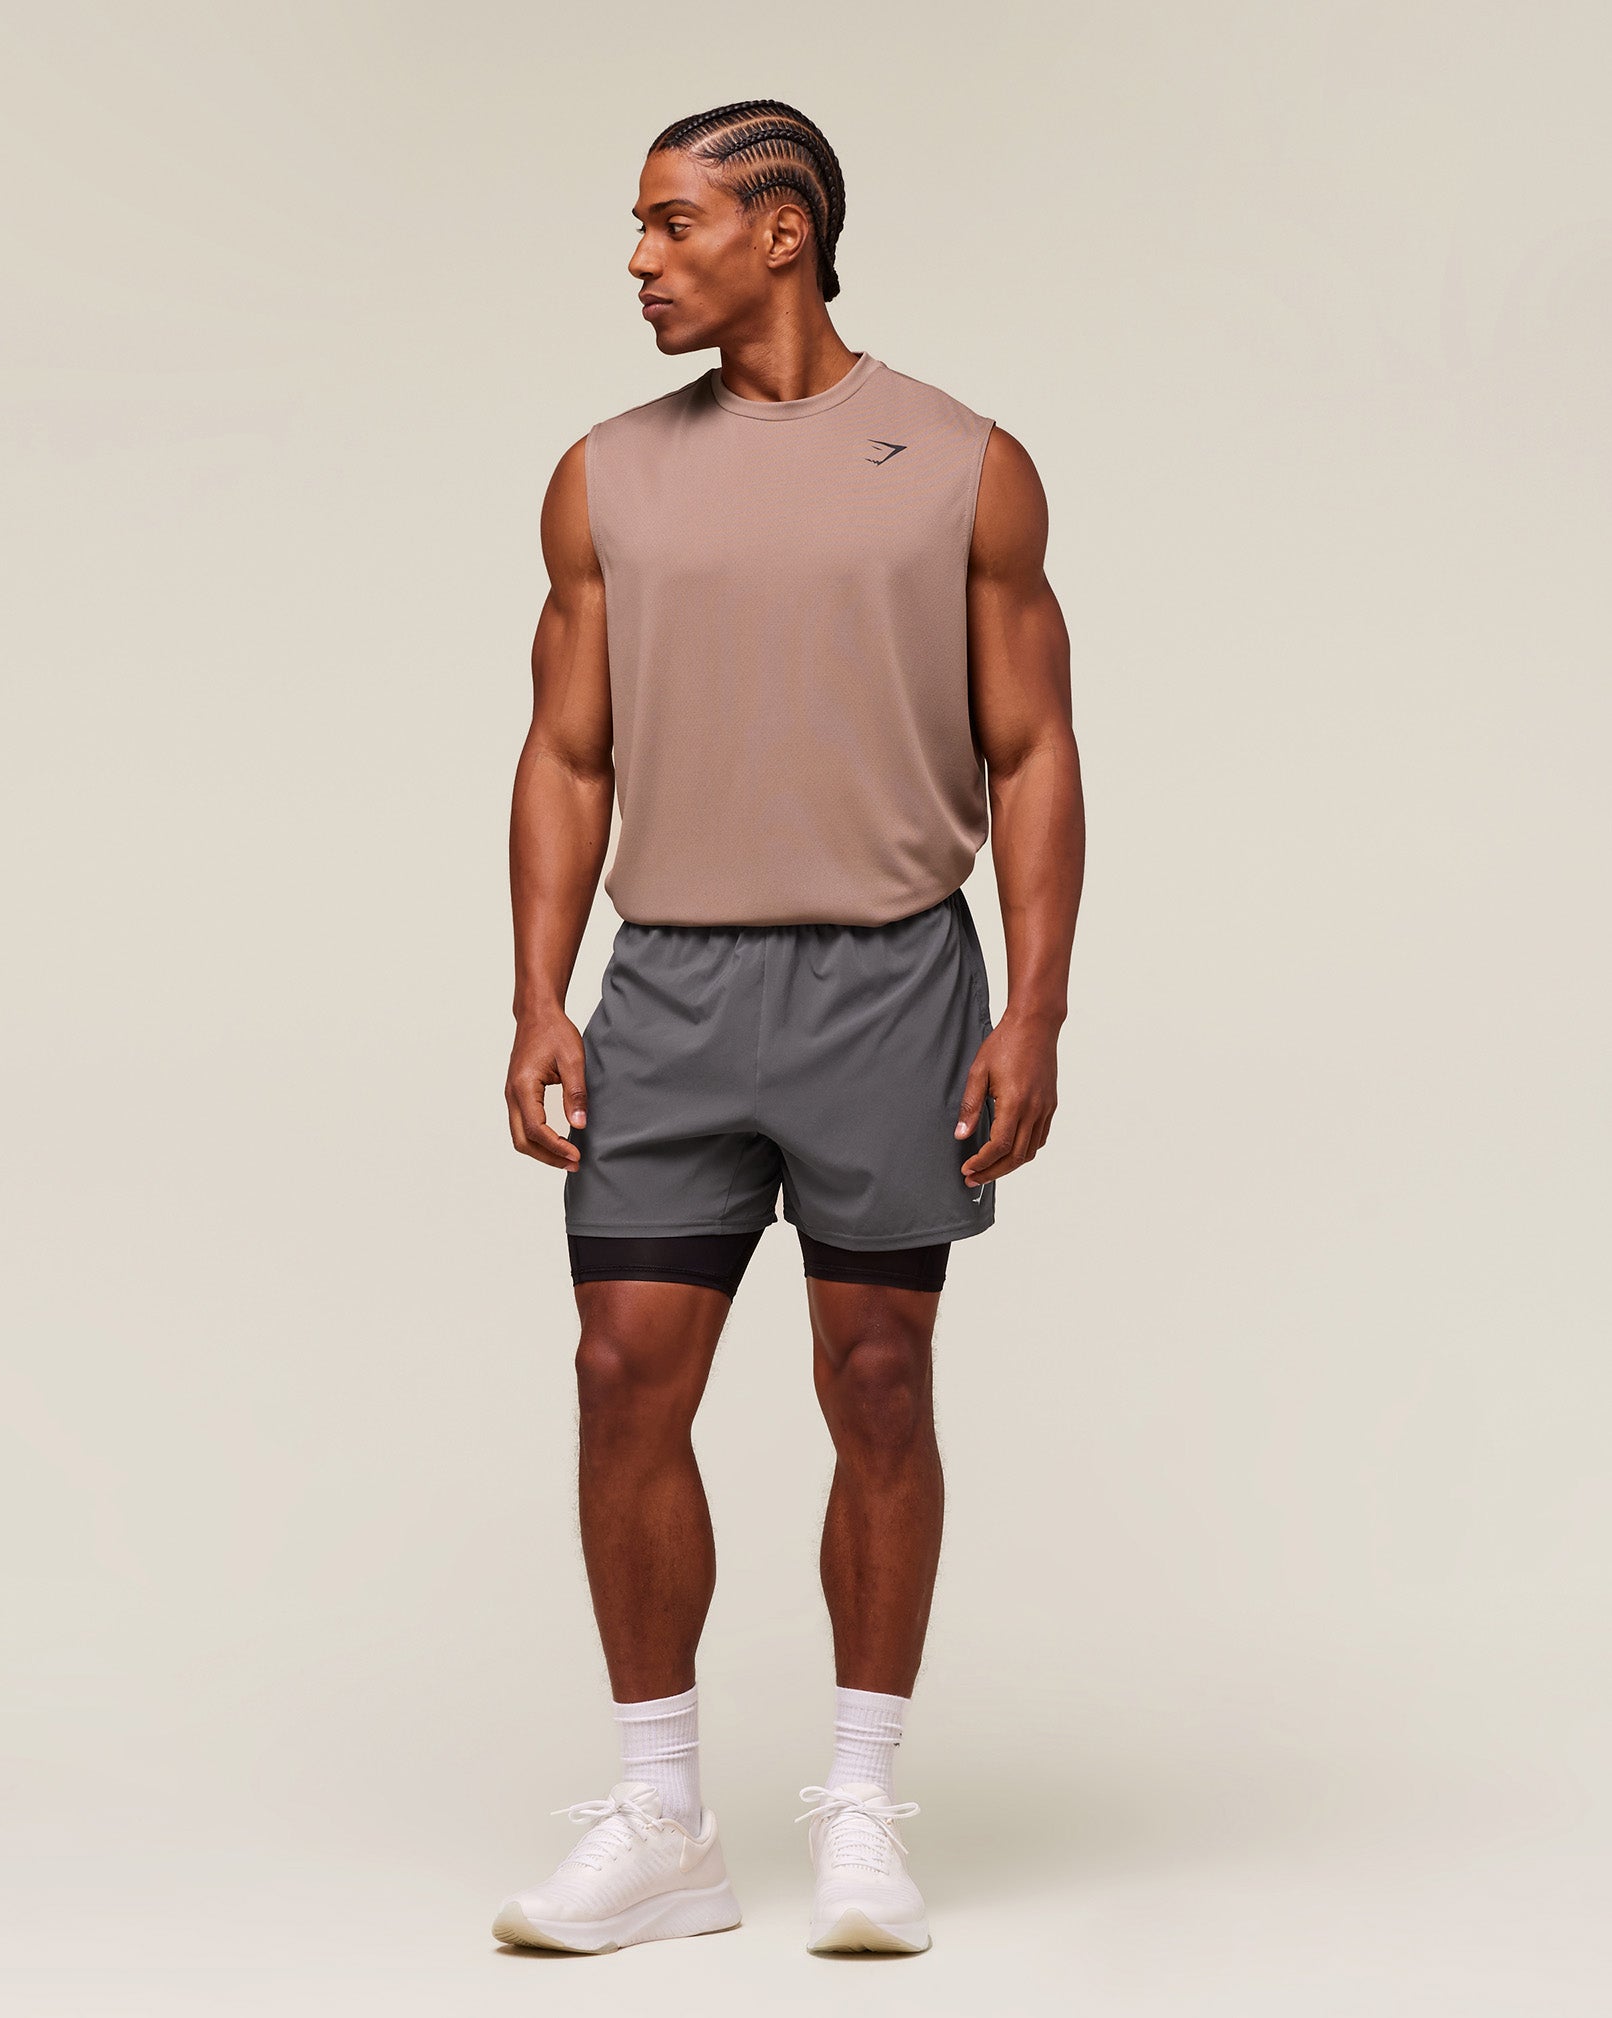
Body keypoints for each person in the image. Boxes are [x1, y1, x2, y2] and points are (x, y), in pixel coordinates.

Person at [497, 98, 1083, 1958]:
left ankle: (860, 1803)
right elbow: (565, 752)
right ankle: (662, 1819)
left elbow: (1034, 750)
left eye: (672, 222)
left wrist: (1037, 1002)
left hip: (889, 981)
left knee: (878, 1379)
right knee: (619, 1373)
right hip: (669, 984)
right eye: (637, 225)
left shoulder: (965, 461)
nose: (641, 258)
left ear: (783, 231)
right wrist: (537, 993)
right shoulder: (603, 474)